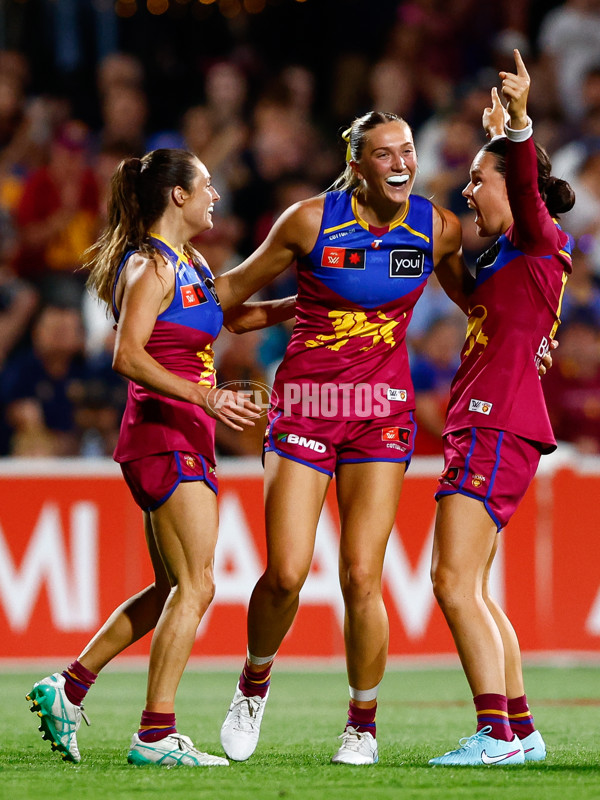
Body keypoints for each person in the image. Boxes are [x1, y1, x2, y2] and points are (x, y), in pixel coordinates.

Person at [216, 109, 472, 766]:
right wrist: (157, 305)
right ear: (357, 165)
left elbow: (479, 305)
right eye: (384, 154)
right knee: (287, 574)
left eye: (408, 151)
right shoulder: (309, 220)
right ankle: (253, 683)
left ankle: (363, 724)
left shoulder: (437, 228)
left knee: (363, 575)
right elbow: (231, 298)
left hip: (382, 413)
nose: (401, 164)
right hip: (305, 408)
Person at [26, 148, 295, 767]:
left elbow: (224, 317)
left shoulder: (190, 263)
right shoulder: (148, 266)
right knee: (198, 584)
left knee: (174, 585)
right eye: (206, 185)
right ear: (177, 195)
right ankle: (155, 733)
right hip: (163, 432)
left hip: (181, 431)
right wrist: (208, 395)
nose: (215, 197)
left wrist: (296, 308)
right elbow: (128, 354)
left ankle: (69, 687)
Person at [429, 50, 575, 766]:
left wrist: (516, 122)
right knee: (475, 589)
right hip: (489, 424)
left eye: (475, 180)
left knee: (451, 581)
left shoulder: (540, 242)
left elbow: (521, 180)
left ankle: (496, 736)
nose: (467, 192)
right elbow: (456, 277)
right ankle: (520, 728)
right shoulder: (504, 265)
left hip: (496, 423)